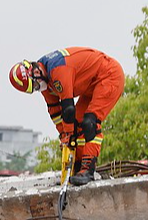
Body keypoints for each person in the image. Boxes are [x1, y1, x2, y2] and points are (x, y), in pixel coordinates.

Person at [8, 47, 124, 186]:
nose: (39, 89)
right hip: (90, 85)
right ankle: (79, 166)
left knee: (89, 123)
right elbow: (55, 111)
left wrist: (68, 134)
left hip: (109, 76)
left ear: (36, 72)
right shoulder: (44, 80)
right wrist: (64, 134)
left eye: (36, 86)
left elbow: (68, 109)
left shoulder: (58, 70)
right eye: (35, 89)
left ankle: (88, 169)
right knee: (77, 126)